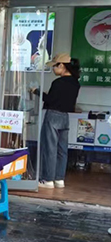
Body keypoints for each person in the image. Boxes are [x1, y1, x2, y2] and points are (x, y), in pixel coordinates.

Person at [40, 53, 81, 189]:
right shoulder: (76, 83)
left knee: (50, 148)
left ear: (62, 66)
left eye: (55, 66)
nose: (53, 69)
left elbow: (50, 100)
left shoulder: (57, 83)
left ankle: (48, 180)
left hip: (53, 115)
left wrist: (37, 92)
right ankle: (59, 179)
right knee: (62, 150)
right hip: (65, 117)